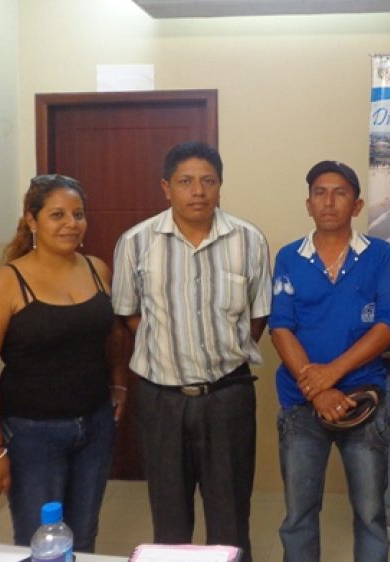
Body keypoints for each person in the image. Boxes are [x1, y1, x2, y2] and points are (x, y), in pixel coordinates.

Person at [111, 141, 271, 561]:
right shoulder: (135, 242)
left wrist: (221, 349)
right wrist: (171, 346)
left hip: (227, 398)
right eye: (185, 181)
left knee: (231, 519)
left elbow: (257, 318)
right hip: (161, 400)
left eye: (208, 181)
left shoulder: (249, 240)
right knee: (169, 520)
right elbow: (129, 315)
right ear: (166, 187)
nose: (197, 191)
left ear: (220, 187)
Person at [0, 174, 126, 552]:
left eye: (78, 214)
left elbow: (114, 334)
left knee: (83, 537)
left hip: (95, 427)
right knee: (41, 543)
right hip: (32, 435)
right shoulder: (4, 284)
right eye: (57, 215)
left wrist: (119, 383)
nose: (71, 223)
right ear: (32, 221)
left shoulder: (98, 270)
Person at [270, 160, 390, 562]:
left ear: (357, 204)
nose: (329, 201)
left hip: (364, 402)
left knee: (370, 513)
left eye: (340, 192)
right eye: (319, 193)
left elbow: (388, 325)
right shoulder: (290, 256)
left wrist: (332, 375)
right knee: (299, 514)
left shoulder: (378, 255)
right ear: (308, 203)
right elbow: (280, 327)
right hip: (301, 405)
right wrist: (319, 390)